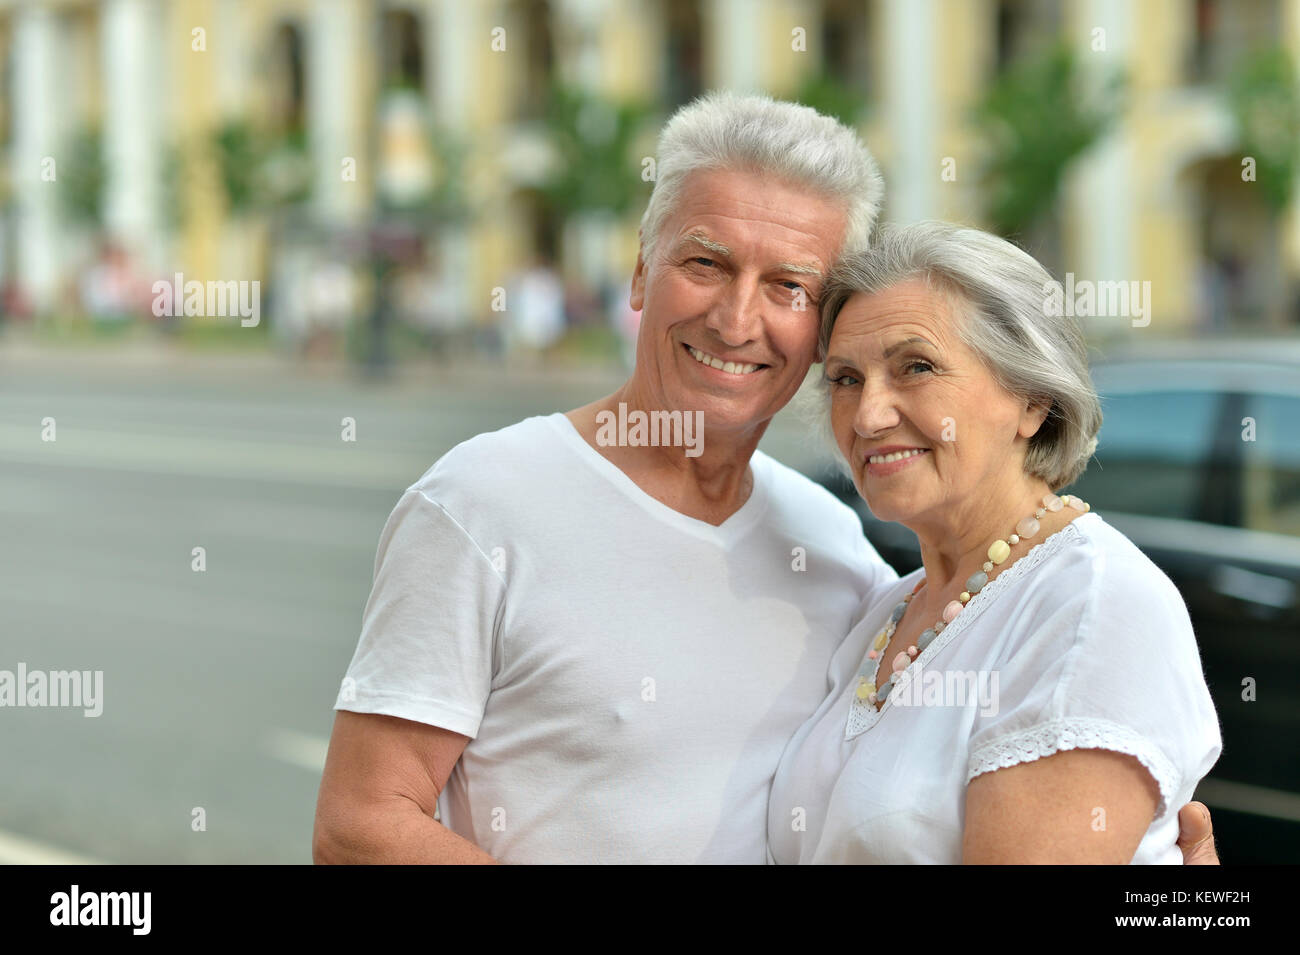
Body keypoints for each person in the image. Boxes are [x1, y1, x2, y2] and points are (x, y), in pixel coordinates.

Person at [313, 93, 1220, 864]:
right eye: (706, 262)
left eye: (789, 285)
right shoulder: (480, 502)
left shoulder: (836, 552)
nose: (738, 317)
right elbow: (361, 827)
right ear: (639, 270)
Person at [767, 222, 1223, 863]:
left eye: (916, 367)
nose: (868, 415)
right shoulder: (892, 608)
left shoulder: (1093, 606)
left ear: (1032, 400)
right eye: (845, 378)